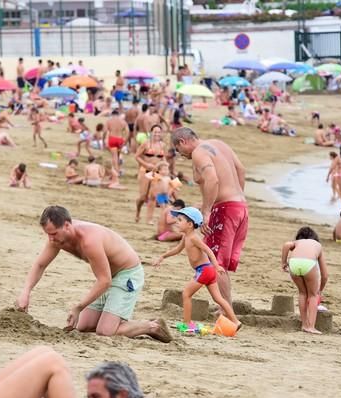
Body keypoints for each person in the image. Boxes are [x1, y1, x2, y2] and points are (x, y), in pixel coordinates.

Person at [15, 206, 173, 342]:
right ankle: (117, 319)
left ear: (67, 225)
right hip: (107, 277)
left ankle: (152, 326)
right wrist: (26, 292)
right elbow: (40, 264)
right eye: (48, 234)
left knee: (105, 332)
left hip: (127, 274)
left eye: (54, 233)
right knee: (83, 327)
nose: (50, 238)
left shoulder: (89, 240)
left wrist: (78, 307)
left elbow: (104, 281)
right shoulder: (57, 239)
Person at [171, 127, 247, 306]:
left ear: (183, 141)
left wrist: (207, 211)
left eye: (178, 150)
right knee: (220, 262)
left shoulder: (198, 152)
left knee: (214, 262)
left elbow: (212, 179)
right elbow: (241, 170)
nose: (180, 155)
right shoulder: (218, 144)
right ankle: (225, 307)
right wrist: (235, 196)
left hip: (225, 209)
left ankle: (226, 311)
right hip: (240, 207)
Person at [154, 207, 241, 330]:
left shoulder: (194, 238)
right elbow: (177, 250)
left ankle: (187, 324)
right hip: (207, 270)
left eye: (179, 220)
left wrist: (216, 265)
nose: (176, 222)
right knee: (218, 298)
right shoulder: (186, 237)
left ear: (189, 224)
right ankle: (235, 321)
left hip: (205, 270)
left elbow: (208, 250)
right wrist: (163, 256)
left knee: (186, 294)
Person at [281, 227, 329, 334]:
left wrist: (284, 263)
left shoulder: (297, 242)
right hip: (308, 264)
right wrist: (319, 291)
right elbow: (325, 275)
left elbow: (287, 245)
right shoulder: (317, 245)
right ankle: (311, 327)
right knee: (313, 296)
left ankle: (304, 325)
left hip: (293, 263)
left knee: (302, 293)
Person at [134, 124, 166, 223]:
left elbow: (162, 158)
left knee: (153, 196)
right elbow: (137, 156)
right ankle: (138, 212)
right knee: (143, 197)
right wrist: (146, 164)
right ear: (151, 133)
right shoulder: (146, 144)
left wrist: (164, 165)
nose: (157, 134)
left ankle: (149, 219)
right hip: (145, 171)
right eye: (155, 132)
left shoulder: (162, 145)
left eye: (159, 132)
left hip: (156, 173)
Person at [104, 109, 128, 175]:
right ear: (118, 115)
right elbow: (127, 132)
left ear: (112, 115)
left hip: (112, 138)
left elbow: (105, 131)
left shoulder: (109, 121)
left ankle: (116, 172)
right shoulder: (123, 121)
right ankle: (117, 169)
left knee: (114, 156)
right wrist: (125, 140)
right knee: (117, 155)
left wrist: (104, 140)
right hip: (120, 139)